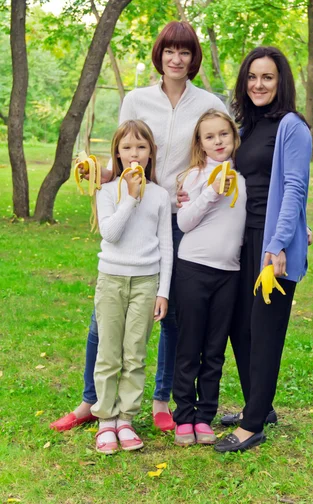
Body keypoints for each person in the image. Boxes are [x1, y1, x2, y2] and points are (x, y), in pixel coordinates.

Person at [50, 21, 226, 433]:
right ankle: (91, 401)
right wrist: (99, 173)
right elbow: (122, 148)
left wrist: (192, 185)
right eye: (169, 51)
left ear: (193, 58)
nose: (176, 59)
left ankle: (161, 399)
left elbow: (217, 153)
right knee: (103, 319)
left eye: (184, 52)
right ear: (160, 55)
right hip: (134, 210)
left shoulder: (207, 102)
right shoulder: (136, 98)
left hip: (181, 218)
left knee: (170, 313)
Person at [214, 46, 312, 453]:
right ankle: (261, 403)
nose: (258, 84)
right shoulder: (248, 126)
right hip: (244, 240)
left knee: (266, 332)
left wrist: (280, 242)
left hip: (272, 246)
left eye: (267, 77)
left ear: (281, 82)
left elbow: (294, 188)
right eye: (252, 77)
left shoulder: (293, 126)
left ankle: (253, 425)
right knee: (242, 326)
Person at [90, 120, 172, 454]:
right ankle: (105, 420)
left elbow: (166, 246)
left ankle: (126, 418)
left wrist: (163, 290)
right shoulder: (107, 191)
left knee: (134, 354)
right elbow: (110, 233)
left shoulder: (161, 195)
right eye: (127, 148)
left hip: (145, 282)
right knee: (109, 354)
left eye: (141, 147)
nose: (134, 154)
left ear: (151, 152)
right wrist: (130, 197)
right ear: (117, 153)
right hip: (111, 280)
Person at [172, 110, 246, 446]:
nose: (218, 142)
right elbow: (184, 223)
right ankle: (183, 416)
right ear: (200, 144)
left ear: (234, 137)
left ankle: (205, 416)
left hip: (228, 273)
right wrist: (211, 190)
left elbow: (258, 214)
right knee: (190, 346)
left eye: (223, 135)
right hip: (193, 268)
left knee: (215, 349)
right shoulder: (195, 176)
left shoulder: (244, 177)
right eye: (210, 137)